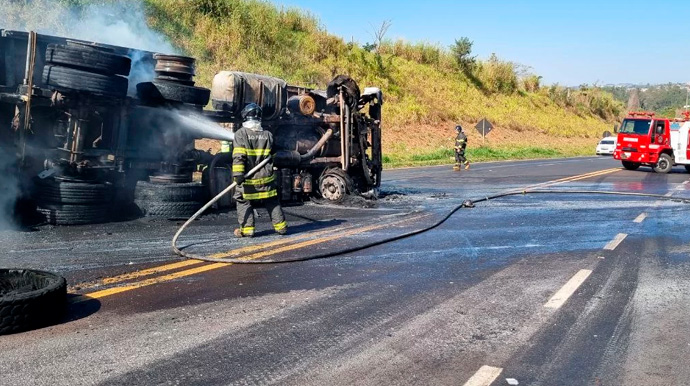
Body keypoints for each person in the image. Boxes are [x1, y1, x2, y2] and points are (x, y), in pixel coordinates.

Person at [232, 103, 287, 237]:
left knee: (242, 200)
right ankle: (281, 228)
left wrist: (238, 174)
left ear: (245, 116)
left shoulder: (241, 134)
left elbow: (239, 156)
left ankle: (247, 230)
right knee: (272, 201)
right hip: (267, 178)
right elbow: (273, 155)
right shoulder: (268, 134)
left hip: (248, 180)